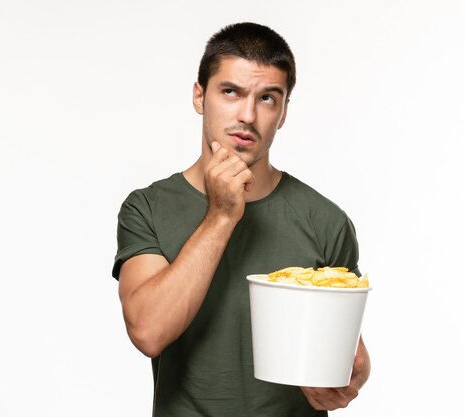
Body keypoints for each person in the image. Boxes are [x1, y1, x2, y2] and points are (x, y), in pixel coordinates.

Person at [112, 22, 370, 417]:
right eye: (230, 92)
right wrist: (221, 216)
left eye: (267, 98)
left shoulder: (325, 220)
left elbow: (351, 352)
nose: (247, 115)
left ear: (282, 113)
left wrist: (350, 379)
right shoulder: (147, 208)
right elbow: (147, 331)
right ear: (200, 96)